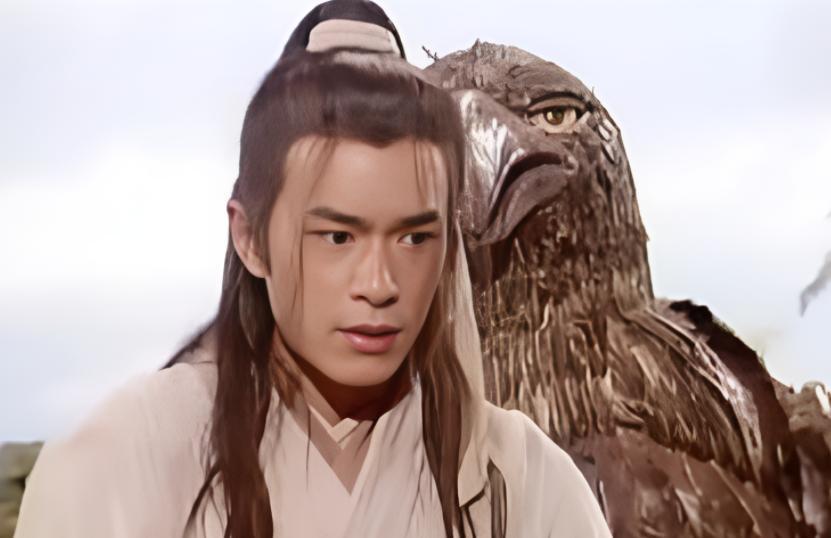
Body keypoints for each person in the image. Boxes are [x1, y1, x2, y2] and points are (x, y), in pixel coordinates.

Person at [14, 2, 612, 537]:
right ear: (250, 238)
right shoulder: (117, 467)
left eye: (414, 237)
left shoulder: (529, 485)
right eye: (337, 236)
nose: (379, 285)